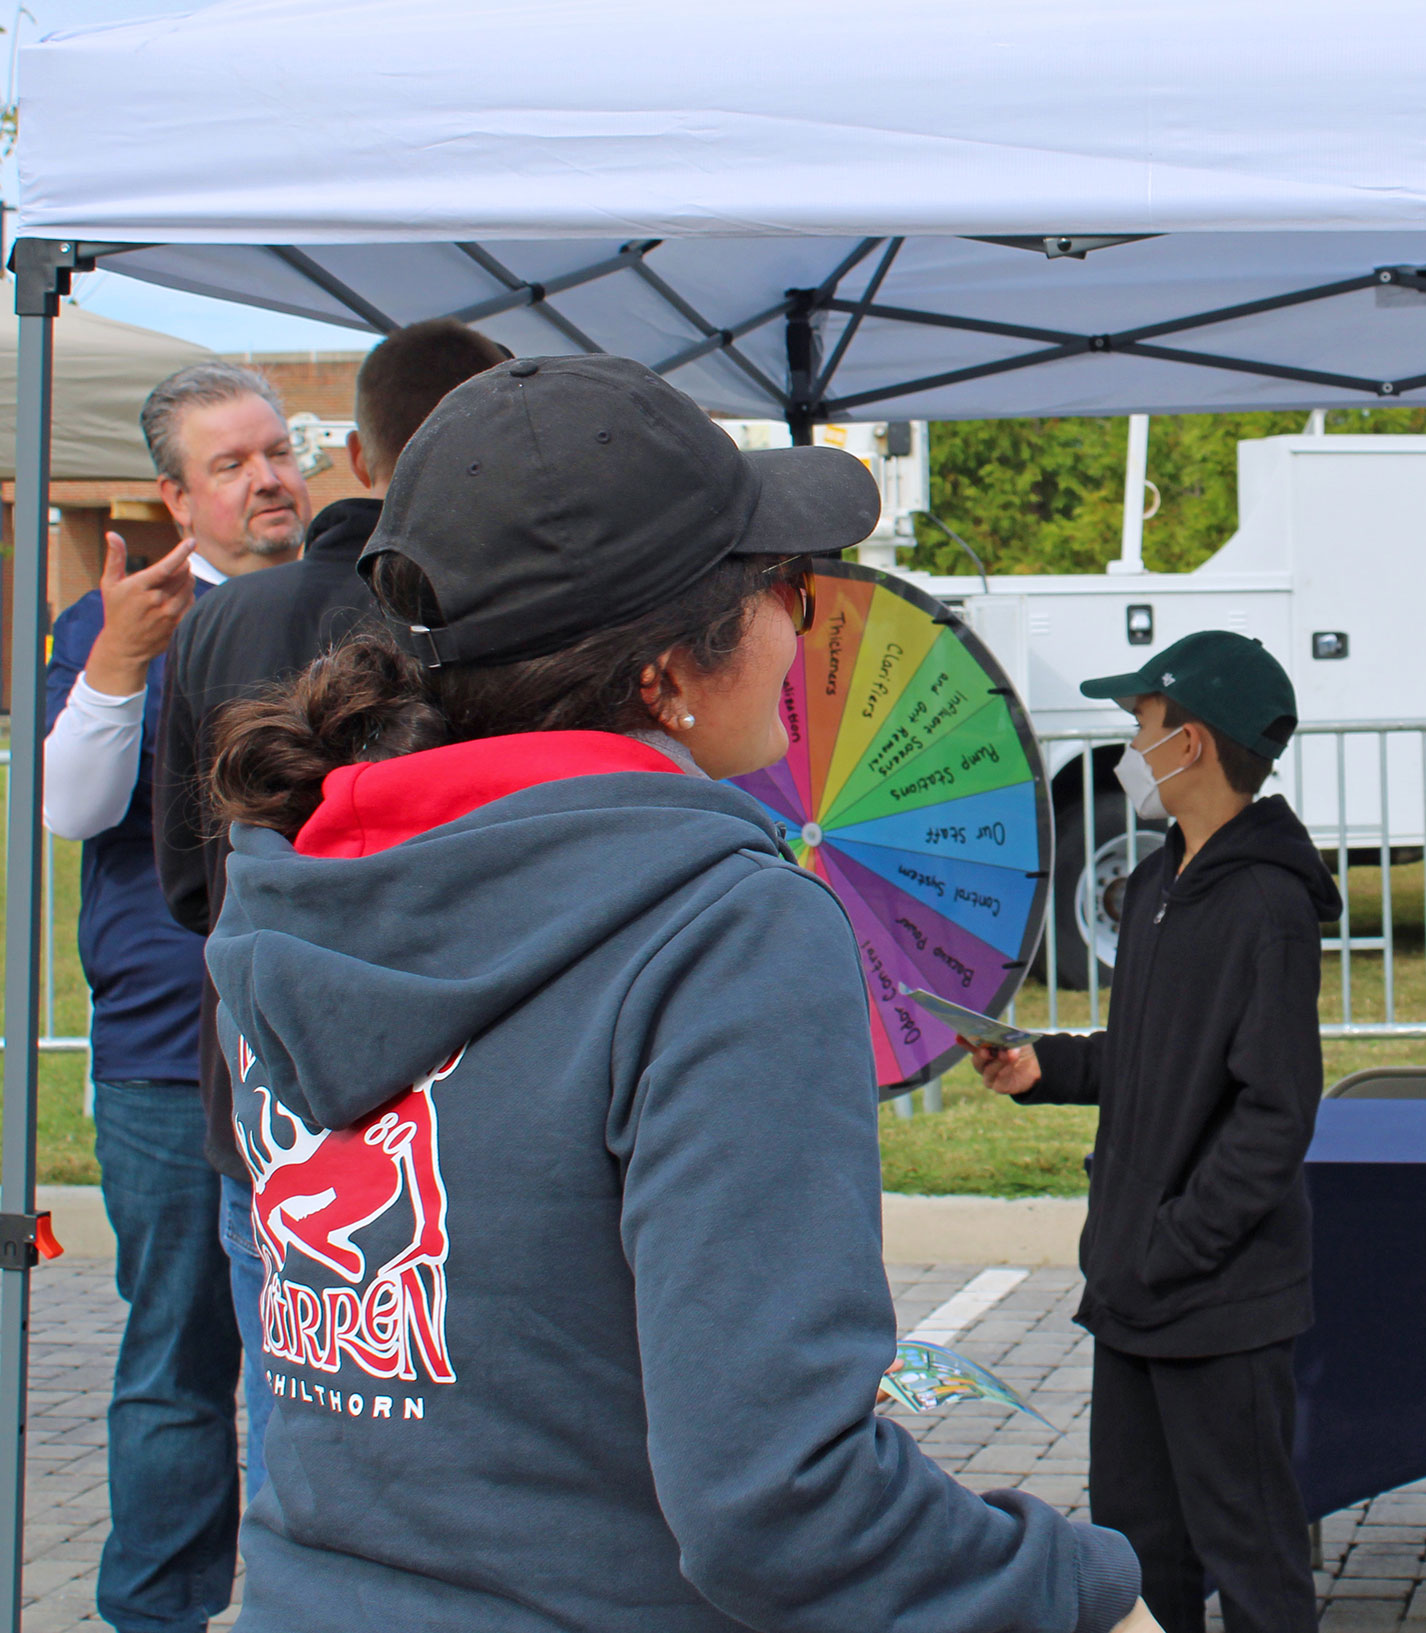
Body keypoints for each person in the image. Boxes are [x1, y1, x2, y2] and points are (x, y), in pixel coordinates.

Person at [201, 354, 1152, 1633]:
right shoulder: (724, 930)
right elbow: (782, 1504)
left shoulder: (307, 881)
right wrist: (1075, 1591)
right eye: (781, 588)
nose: (805, 624)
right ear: (663, 669)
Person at [152, 318, 510, 1498]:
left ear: (357, 457)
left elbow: (190, 880)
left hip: (270, 1095)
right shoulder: (513, 624)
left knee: (298, 1432)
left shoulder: (226, 622)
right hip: (469, 1099)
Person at [971, 630, 1340, 1633]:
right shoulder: (1156, 886)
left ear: (1195, 744)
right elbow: (1146, 1053)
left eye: (1141, 728)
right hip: (1133, 1292)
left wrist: (1177, 1238)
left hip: (1216, 1297)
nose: (1131, 751)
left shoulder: (1265, 905)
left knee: (1250, 1554)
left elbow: (1274, 1111)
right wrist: (1046, 1064)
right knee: (1138, 1554)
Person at [41, 360, 312, 1633]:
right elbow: (70, 811)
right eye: (232, 463)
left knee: (314, 1368)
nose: (267, 479)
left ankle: (310, 1601)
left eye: (276, 453)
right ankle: (157, 1613)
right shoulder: (122, 624)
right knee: (178, 1365)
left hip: (313, 1049)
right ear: (175, 495)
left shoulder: (341, 614)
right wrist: (117, 667)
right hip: (164, 1056)